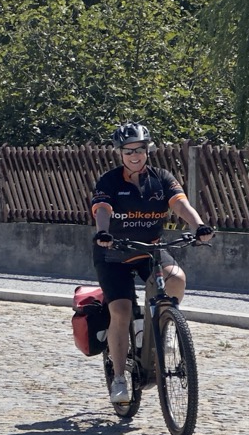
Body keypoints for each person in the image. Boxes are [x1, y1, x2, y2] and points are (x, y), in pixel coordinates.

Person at [91, 122, 215, 404]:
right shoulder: (109, 181)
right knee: (121, 311)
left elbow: (181, 205)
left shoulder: (161, 178)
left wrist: (198, 226)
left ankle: (164, 327)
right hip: (114, 253)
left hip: (150, 250)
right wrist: (103, 232)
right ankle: (120, 379)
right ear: (119, 153)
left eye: (140, 150)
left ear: (148, 150)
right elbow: (103, 210)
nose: (135, 156)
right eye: (128, 151)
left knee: (177, 278)